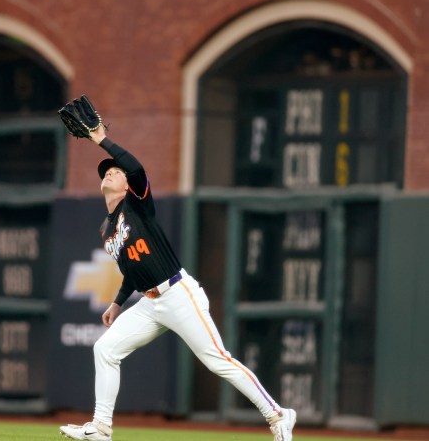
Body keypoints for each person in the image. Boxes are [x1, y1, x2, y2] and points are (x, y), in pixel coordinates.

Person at [59, 122, 296, 441]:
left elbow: (136, 167)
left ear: (129, 185)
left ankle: (278, 415)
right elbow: (131, 269)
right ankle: (101, 427)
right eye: (107, 171)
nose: (111, 172)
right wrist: (117, 302)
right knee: (105, 349)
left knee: (217, 360)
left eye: (116, 171)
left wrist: (102, 140)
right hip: (150, 303)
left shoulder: (137, 205)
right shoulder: (107, 228)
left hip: (178, 294)